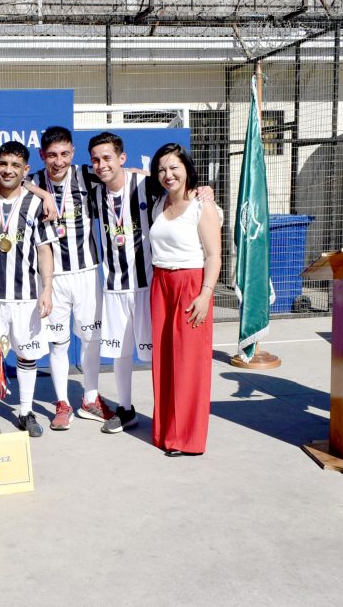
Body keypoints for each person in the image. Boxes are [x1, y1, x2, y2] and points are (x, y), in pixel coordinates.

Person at [89, 132, 214, 436]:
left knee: (171, 356)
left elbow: (179, 190)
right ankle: (127, 409)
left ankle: (184, 427)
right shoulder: (93, 192)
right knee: (122, 353)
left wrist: (205, 190)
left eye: (108, 157)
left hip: (151, 283)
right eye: (96, 159)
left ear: (122, 158)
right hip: (118, 284)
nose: (101, 164)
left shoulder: (148, 187)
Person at [32, 126, 113, 430]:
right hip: (53, 278)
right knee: (58, 343)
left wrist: (199, 188)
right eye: (52, 155)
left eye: (64, 154)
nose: (58, 161)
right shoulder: (35, 182)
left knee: (91, 339)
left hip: (88, 273)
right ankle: (62, 403)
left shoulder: (86, 176)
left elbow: (122, 173)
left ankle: (90, 398)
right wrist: (41, 193)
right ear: (42, 155)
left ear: (73, 153)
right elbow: (10, 183)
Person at [0, 141, 56, 436]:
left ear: (26, 171)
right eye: (3, 164)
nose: (8, 170)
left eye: (15, 165)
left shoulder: (36, 205)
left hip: (26, 296)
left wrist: (46, 289)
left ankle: (26, 410)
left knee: (27, 354)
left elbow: (45, 250)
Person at [148, 144, 221, 456]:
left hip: (191, 284)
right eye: (162, 169)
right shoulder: (158, 204)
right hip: (160, 284)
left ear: (186, 168)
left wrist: (206, 293)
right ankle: (166, 431)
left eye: (174, 167)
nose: (168, 174)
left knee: (190, 363)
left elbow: (214, 254)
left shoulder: (201, 204)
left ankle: (187, 438)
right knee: (163, 361)